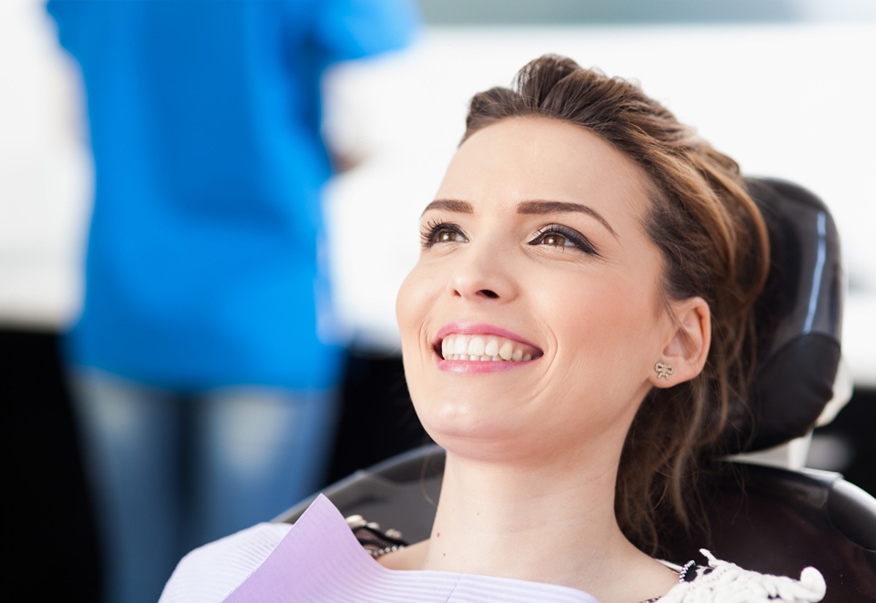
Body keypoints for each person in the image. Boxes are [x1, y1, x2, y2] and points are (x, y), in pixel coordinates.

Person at [159, 55, 826, 602]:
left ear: (678, 340)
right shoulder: (228, 576)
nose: (471, 272)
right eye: (446, 232)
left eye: (557, 236)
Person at [44, 1, 419, 602]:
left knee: (142, 576)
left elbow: (75, 125)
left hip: (125, 299)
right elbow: (368, 131)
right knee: (248, 584)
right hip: (263, 312)